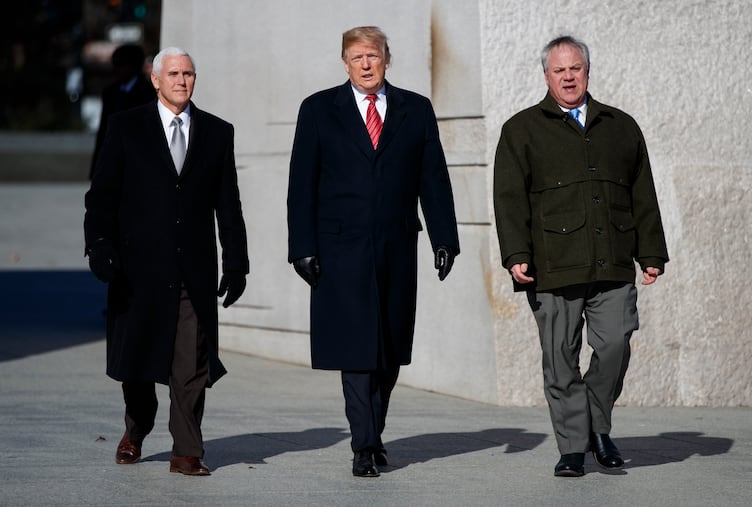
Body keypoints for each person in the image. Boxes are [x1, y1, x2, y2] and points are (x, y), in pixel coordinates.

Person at [287, 26, 460, 477]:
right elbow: (301, 185)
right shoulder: (319, 109)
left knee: (390, 348)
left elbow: (433, 179)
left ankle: (373, 430)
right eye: (357, 57)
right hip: (339, 250)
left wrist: (444, 238)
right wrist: (301, 248)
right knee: (355, 349)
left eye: (374, 56)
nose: (366, 65)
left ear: (387, 59)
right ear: (344, 62)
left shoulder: (416, 110)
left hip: (397, 246)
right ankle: (363, 445)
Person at [493, 35, 669, 477]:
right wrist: (516, 254)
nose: (568, 76)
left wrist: (651, 252)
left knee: (614, 347)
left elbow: (642, 194)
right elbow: (509, 199)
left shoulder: (620, 126)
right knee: (560, 360)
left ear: (588, 72)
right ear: (546, 76)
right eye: (559, 70)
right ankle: (575, 448)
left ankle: (593, 427)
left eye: (576, 68)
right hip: (551, 268)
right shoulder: (521, 129)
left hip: (613, 261)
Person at [84, 47, 249, 476]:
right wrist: (99, 245)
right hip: (135, 269)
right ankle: (136, 428)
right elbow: (101, 195)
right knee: (136, 363)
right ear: (155, 80)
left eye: (188, 73)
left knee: (191, 362)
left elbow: (228, 204)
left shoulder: (217, 132)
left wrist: (237, 263)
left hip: (193, 269)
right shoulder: (126, 127)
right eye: (173, 73)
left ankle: (186, 451)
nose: (181, 80)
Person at [89, 44, 156, 179]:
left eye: (120, 64)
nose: (116, 69)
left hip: (137, 158)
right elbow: (104, 128)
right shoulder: (110, 92)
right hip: (113, 154)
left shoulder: (148, 92)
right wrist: (96, 166)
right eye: (115, 64)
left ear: (133, 66)